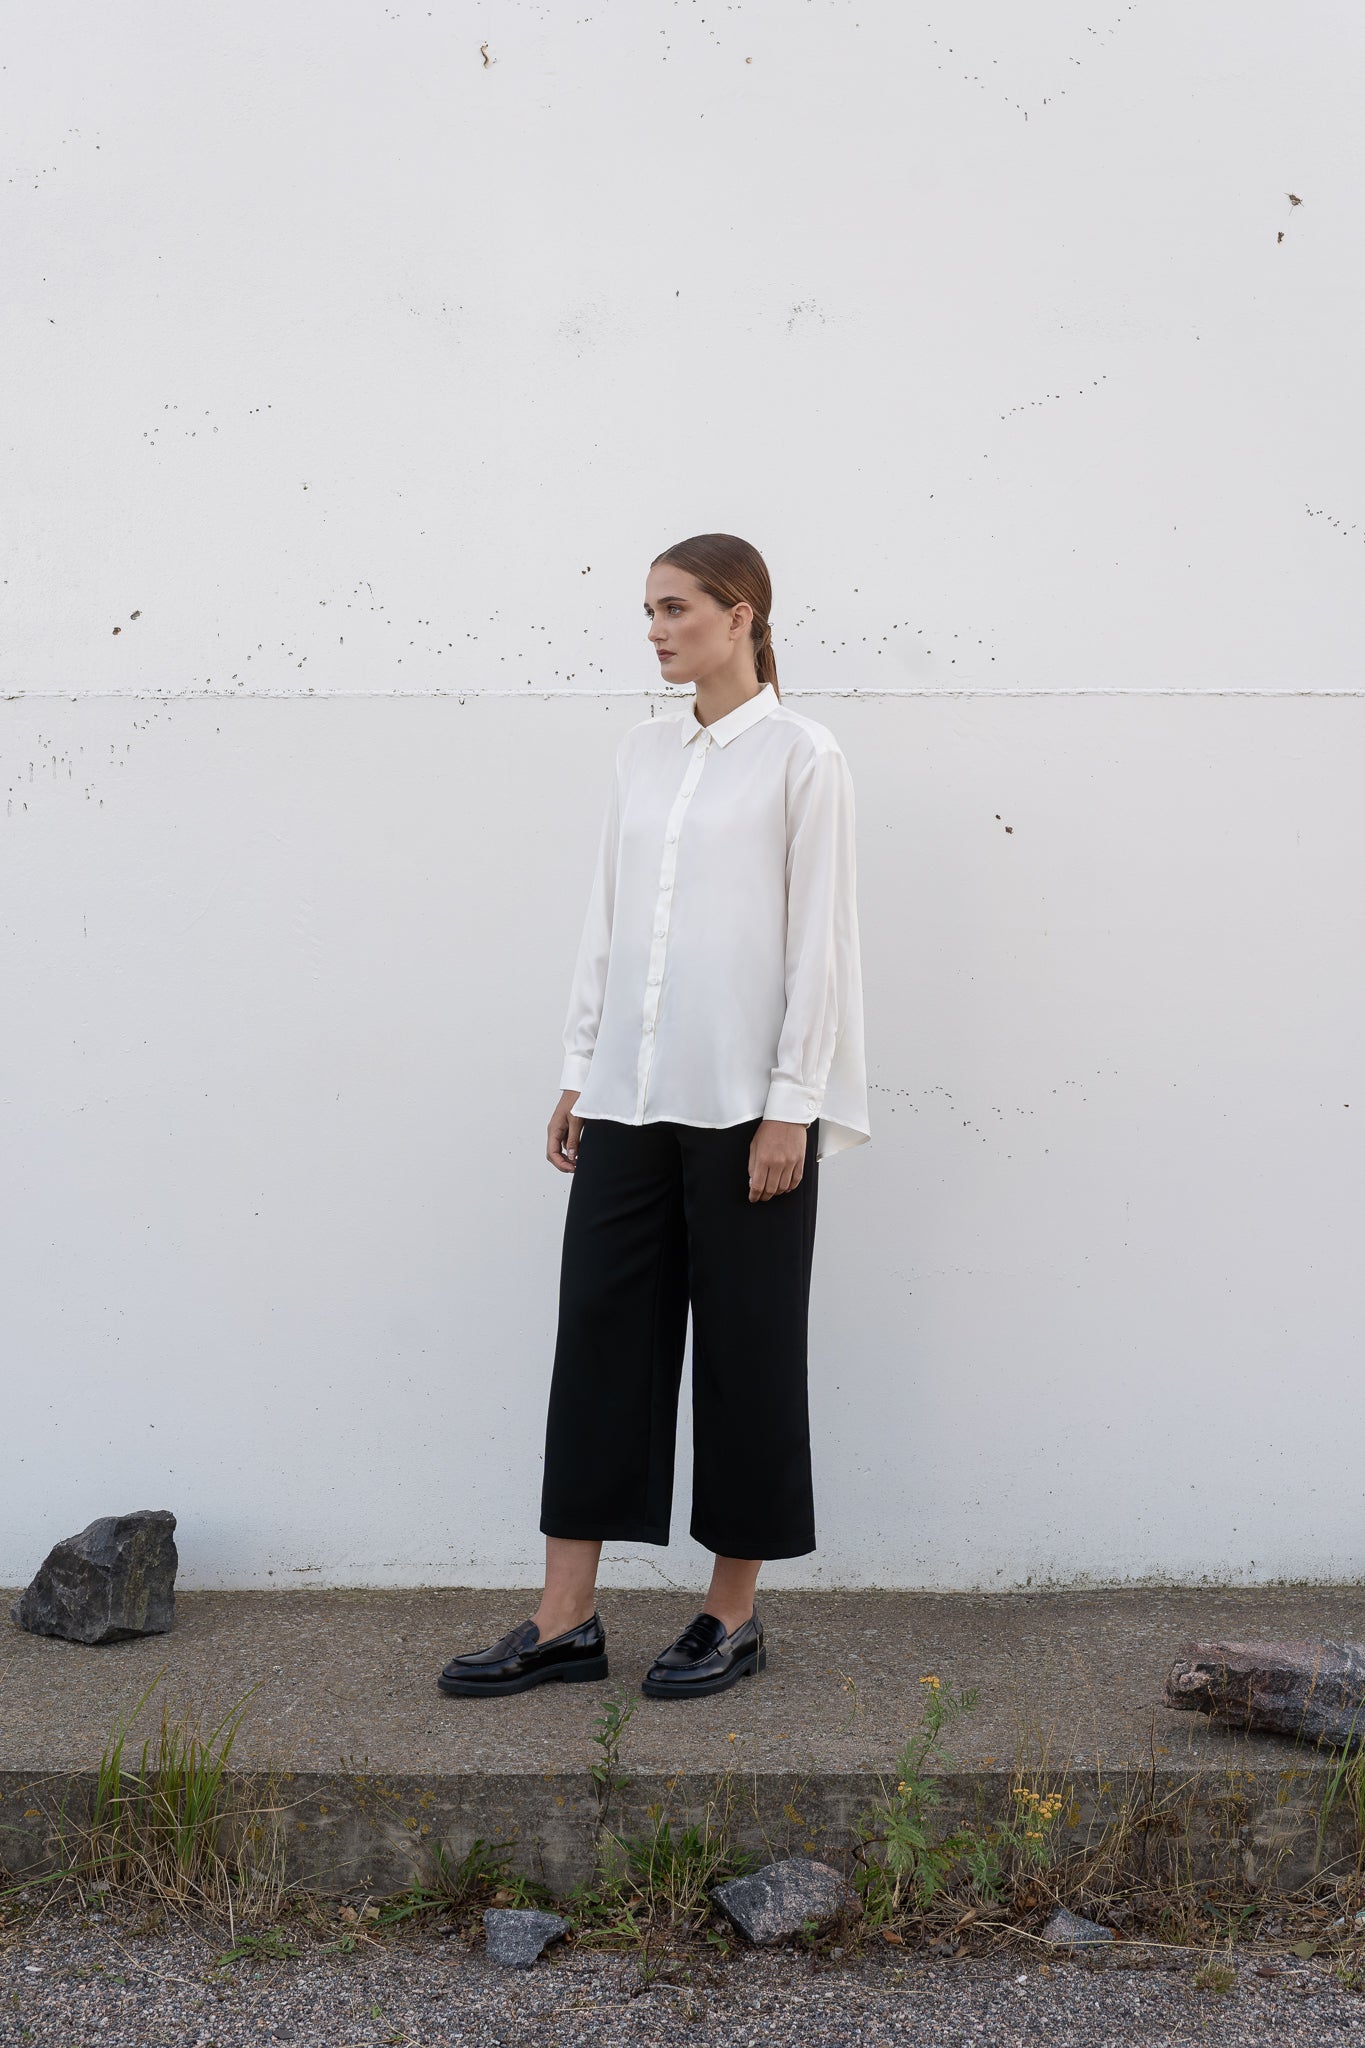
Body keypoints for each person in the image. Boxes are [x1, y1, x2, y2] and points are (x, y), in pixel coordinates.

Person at [437, 532, 870, 1702]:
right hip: (631, 1094)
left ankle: (730, 1613)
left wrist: (795, 1106)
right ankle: (565, 1617)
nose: (656, 628)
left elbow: (820, 946)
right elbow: (609, 917)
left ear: (741, 614)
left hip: (748, 1111)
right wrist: (581, 1063)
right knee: (599, 1348)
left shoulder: (802, 755)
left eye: (675, 608)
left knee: (749, 1351)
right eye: (648, 610)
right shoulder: (640, 752)